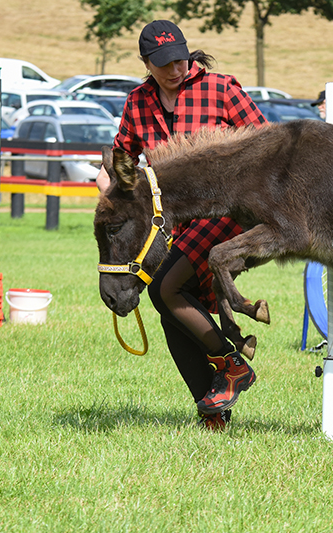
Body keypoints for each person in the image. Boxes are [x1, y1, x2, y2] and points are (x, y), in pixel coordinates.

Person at [96, 20, 267, 430]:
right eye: (164, 63)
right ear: (146, 63)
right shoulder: (137, 102)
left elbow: (267, 145)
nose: (175, 69)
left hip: (228, 212)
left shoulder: (222, 88)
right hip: (174, 223)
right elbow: (123, 161)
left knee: (165, 288)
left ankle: (232, 367)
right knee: (172, 311)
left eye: (181, 59)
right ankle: (213, 411)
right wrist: (108, 191)